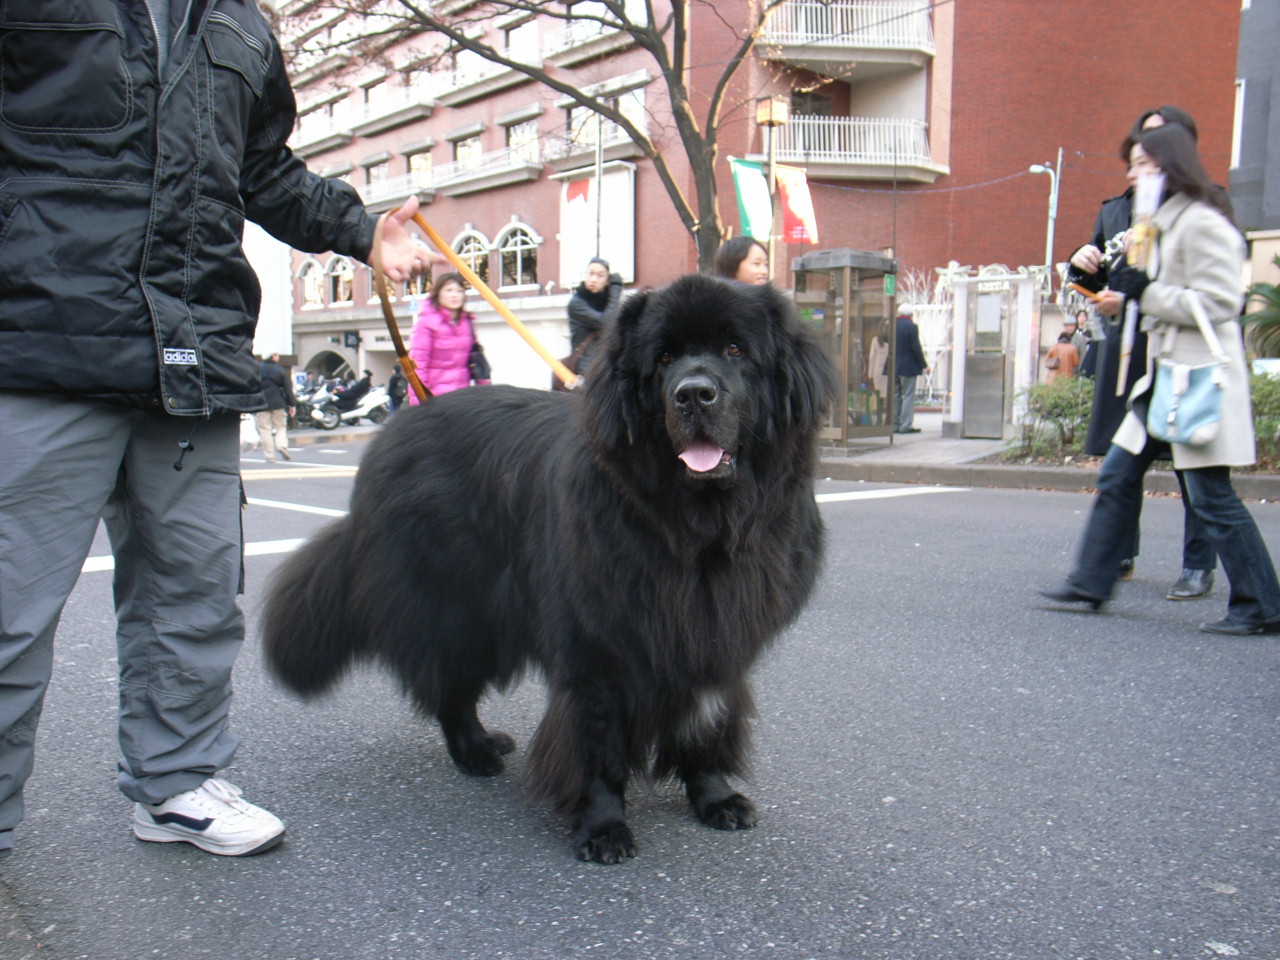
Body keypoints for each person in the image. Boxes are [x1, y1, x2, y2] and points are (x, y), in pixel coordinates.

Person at [0, 1, 436, 862]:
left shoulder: (241, 25)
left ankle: (176, 784)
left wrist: (360, 231)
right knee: (9, 609)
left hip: (191, 356)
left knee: (192, 598)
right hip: (38, 343)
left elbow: (263, 171)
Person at [1041, 124, 1280, 636]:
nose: (1133, 173)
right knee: (1118, 474)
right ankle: (1091, 580)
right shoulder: (1156, 223)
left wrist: (1146, 294)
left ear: (1170, 166)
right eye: (1132, 163)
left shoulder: (1204, 221)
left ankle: (1261, 604)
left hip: (1195, 377)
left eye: (1143, 163)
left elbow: (1223, 303)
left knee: (1211, 495)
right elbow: (1137, 288)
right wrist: (1111, 283)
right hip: (1168, 378)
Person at [1065, 105, 1216, 600]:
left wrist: (1140, 294)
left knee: (1198, 468)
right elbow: (1097, 277)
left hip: (1178, 351)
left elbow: (1216, 295)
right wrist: (1082, 265)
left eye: (1153, 151)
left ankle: (1205, 567)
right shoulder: (1117, 209)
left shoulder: (1203, 210)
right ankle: (1107, 565)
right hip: (1129, 350)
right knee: (1120, 462)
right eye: (1136, 153)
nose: (1141, 163)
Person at [408, 274, 481, 401]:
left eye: (459, 291)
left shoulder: (467, 322)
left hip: (462, 398)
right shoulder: (426, 322)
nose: (455, 295)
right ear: (438, 293)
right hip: (436, 399)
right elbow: (418, 366)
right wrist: (419, 402)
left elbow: (476, 361)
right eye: (449, 290)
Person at [566, 257, 624, 376]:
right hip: (585, 369)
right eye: (591, 273)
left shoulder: (609, 304)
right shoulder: (577, 303)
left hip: (605, 366)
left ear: (607, 280)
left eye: (600, 275)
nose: (593, 279)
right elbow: (606, 323)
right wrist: (616, 289)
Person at [893, 304, 930, 434]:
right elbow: (916, 348)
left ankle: (894, 425)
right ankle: (905, 425)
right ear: (911, 315)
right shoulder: (911, 327)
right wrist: (924, 365)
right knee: (908, 396)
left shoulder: (893, 325)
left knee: (895, 395)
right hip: (908, 367)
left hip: (893, 366)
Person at [255, 353, 296, 462]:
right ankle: (281, 445)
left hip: (262, 403)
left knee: (265, 429)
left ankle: (270, 455)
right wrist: (292, 404)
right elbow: (288, 389)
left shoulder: (257, 369)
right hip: (278, 402)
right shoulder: (280, 370)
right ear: (273, 356)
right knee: (281, 427)